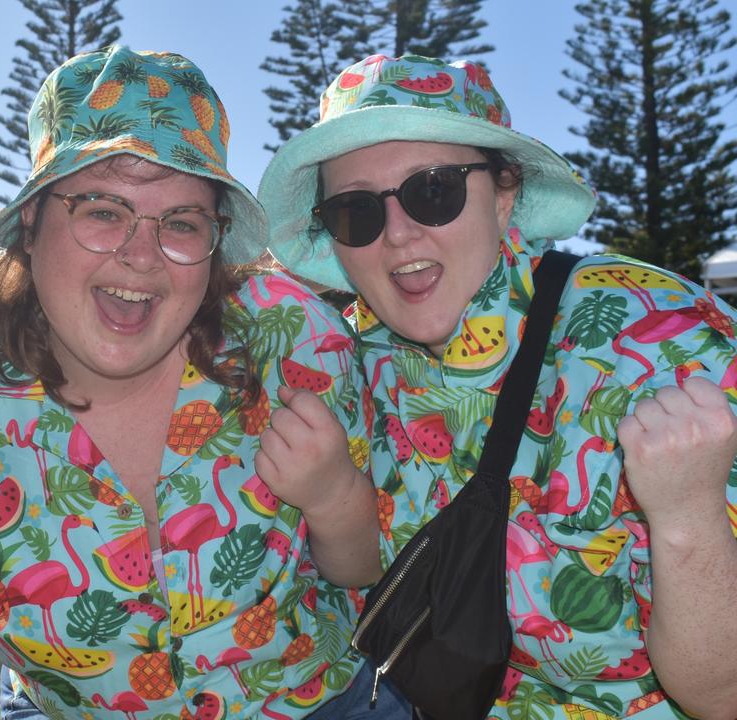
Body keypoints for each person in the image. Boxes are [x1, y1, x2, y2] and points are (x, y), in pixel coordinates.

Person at [0, 45, 410, 719]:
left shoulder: (291, 338)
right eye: (103, 210)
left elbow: (363, 570)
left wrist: (335, 495)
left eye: (180, 223)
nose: (140, 256)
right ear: (31, 221)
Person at [259, 54, 737, 718]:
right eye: (356, 212)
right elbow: (373, 571)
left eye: (433, 190)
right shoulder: (353, 356)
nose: (398, 234)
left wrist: (687, 516)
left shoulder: (663, 339)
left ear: (504, 192)